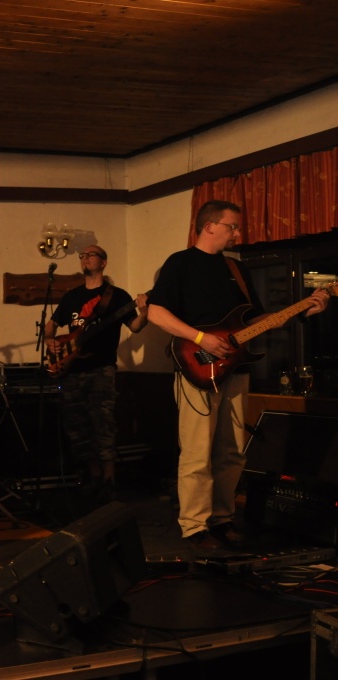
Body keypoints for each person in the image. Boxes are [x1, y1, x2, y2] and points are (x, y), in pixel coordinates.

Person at [147, 200, 329, 549]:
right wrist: (200, 338)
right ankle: (194, 526)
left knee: (232, 452)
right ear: (209, 226)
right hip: (196, 368)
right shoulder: (180, 263)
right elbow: (156, 313)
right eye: (232, 226)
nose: (237, 233)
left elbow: (256, 320)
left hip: (236, 368)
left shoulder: (236, 268)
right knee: (198, 452)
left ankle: (221, 519)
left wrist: (303, 310)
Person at [44, 245, 148, 498]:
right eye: (82, 256)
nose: (85, 258)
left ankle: (110, 480)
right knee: (77, 425)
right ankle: (94, 477)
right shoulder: (72, 296)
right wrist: (49, 340)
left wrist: (145, 311)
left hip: (102, 368)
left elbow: (134, 327)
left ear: (103, 262)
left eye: (90, 255)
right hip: (72, 369)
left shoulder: (118, 296)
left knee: (103, 423)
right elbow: (51, 325)